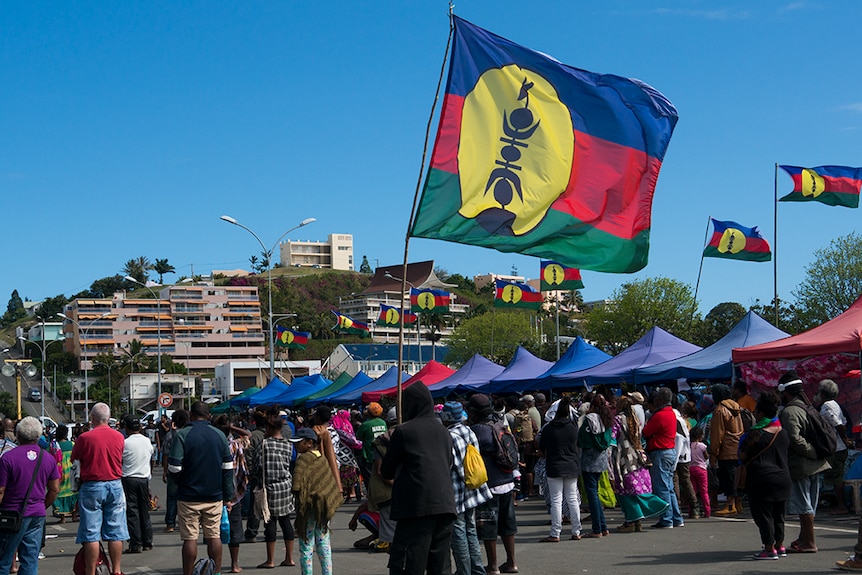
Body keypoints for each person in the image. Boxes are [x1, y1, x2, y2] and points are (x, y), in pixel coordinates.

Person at [382, 383, 456, 575]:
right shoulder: (444, 432)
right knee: (439, 566)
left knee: (408, 564)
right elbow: (449, 463)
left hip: (416, 507)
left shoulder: (404, 431)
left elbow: (386, 471)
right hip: (445, 505)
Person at [168, 401, 235, 575]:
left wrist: (175, 490)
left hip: (188, 496)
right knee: (214, 536)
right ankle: (217, 572)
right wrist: (228, 495)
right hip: (214, 495)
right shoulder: (220, 435)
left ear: (191, 415)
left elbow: (174, 467)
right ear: (209, 416)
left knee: (190, 538)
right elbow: (228, 467)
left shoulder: (182, 435)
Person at [72, 402, 128, 575]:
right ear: (109, 419)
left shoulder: (85, 438)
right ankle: (117, 570)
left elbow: (75, 460)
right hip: (115, 484)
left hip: (92, 485)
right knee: (116, 530)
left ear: (93, 418)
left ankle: (91, 571)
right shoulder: (119, 437)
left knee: (91, 532)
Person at [777, 370, 830, 553]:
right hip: (816, 464)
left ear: (786, 392)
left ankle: (810, 543)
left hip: (802, 464)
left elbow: (794, 439)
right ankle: (804, 538)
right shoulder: (807, 407)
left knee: (804, 505)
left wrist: (811, 453)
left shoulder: (790, 411)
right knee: (809, 505)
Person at [0, 417, 60, 575]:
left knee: (3, 559)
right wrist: (43, 505)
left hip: (11, 513)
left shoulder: (8, 458)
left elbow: (1, 490)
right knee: (30, 560)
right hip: (37, 514)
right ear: (38, 436)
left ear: (18, 435)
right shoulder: (47, 458)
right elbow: (54, 489)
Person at [469, 393, 518, 574]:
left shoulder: (476, 431)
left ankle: (492, 566)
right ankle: (512, 563)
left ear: (474, 412)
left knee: (488, 524)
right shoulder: (500, 425)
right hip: (507, 482)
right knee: (507, 524)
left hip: (488, 486)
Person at [441, 400, 492, 575]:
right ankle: (477, 569)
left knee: (459, 535)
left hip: (457, 493)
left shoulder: (449, 437)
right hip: (473, 490)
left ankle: (464, 571)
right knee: (471, 532)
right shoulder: (468, 430)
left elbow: (448, 466)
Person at [740, 392, 790, 560]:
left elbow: (743, 456)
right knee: (779, 514)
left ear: (760, 413)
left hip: (761, 478)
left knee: (763, 514)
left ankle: (769, 548)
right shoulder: (783, 431)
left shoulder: (756, 433)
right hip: (783, 478)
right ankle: (780, 545)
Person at [290, 427, 342, 575]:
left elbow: (297, 484)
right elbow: (327, 484)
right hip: (323, 509)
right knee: (324, 545)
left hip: (308, 510)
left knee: (306, 546)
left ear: (309, 443)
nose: (295, 445)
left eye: (298, 442)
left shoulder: (303, 460)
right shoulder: (321, 458)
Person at [254, 407, 296, 569]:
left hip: (269, 488)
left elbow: (257, 465)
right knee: (286, 522)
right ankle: (289, 558)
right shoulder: (287, 445)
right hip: (285, 486)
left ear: (269, 428)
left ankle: (270, 560)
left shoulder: (264, 444)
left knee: (270, 524)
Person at [538, 396, 583, 543]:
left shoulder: (549, 428)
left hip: (554, 465)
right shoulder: (573, 427)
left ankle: (555, 532)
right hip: (571, 465)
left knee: (556, 500)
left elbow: (542, 448)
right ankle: (576, 530)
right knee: (572, 498)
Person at [213, 414, 251, 574]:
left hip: (214, 491)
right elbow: (248, 434)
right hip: (233, 492)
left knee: (213, 531)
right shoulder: (235, 444)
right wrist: (232, 427)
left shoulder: (213, 444)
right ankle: (234, 564)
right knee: (234, 529)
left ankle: (216, 566)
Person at [643, 387, 684, 529]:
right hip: (669, 451)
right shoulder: (671, 413)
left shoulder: (660, 415)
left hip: (660, 452)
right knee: (669, 487)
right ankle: (676, 518)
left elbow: (646, 432)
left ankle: (667, 519)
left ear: (660, 399)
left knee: (662, 488)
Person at [814, 379, 851, 515]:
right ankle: (838, 503)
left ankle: (841, 506)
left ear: (823, 393)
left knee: (836, 477)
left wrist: (844, 438)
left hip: (835, 447)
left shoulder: (827, 406)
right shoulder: (835, 404)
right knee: (835, 476)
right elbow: (843, 423)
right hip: (838, 446)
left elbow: (838, 424)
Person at [578, 394, 612, 538]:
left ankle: (597, 528)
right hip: (602, 458)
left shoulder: (589, 419)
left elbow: (581, 439)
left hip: (589, 459)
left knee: (592, 494)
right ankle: (602, 527)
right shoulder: (608, 419)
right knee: (595, 494)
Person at [709, 383, 744, 516]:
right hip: (738, 446)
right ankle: (737, 502)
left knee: (728, 478)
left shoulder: (720, 410)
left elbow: (717, 434)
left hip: (726, 449)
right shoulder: (737, 407)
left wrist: (713, 454)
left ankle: (730, 505)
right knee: (736, 477)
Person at [121, 414, 154, 553]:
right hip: (143, 478)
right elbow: (151, 458)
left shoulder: (125, 443)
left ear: (126, 428)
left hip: (129, 478)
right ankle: (148, 541)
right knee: (144, 510)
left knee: (132, 512)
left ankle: (136, 543)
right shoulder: (147, 441)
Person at [162, 409, 189, 533]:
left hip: (173, 469)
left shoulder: (170, 435)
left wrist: (165, 470)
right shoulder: (189, 434)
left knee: (172, 497)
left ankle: (170, 524)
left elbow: (166, 454)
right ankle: (188, 522)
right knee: (188, 497)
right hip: (188, 470)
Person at [243, 408, 267, 542]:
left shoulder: (253, 436)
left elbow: (249, 456)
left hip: (257, 475)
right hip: (271, 473)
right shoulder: (271, 434)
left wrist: (251, 472)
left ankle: (252, 532)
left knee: (255, 505)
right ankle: (270, 531)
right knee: (269, 504)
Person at [330, 409, 362, 502]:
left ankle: (347, 494)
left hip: (341, 454)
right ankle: (351, 493)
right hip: (348, 453)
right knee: (350, 474)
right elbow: (351, 438)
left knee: (344, 474)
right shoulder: (347, 425)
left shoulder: (336, 425)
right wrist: (358, 444)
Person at [310, 407, 343, 495]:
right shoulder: (334, 431)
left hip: (322, 467)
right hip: (334, 465)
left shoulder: (318, 432)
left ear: (318, 418)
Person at [356, 403, 387, 494]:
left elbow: (358, 437)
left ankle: (371, 495)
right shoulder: (383, 422)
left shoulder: (365, 424)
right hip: (382, 454)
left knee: (369, 478)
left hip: (369, 455)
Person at [53, 423, 78, 523]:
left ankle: (63, 517)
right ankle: (74, 515)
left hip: (60, 472)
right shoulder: (72, 444)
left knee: (60, 492)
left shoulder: (55, 446)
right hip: (71, 471)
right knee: (73, 492)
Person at [688, 426, 710, 518]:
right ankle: (707, 511)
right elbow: (706, 457)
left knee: (692, 491)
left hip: (691, 468)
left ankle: (692, 511)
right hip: (701, 469)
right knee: (704, 491)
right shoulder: (702, 446)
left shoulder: (689, 446)